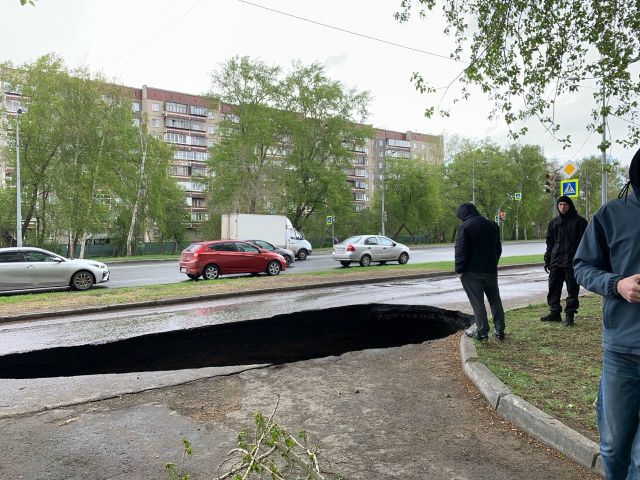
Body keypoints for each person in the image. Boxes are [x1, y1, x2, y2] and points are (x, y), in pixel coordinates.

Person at [573, 149, 640, 479]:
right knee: (614, 445)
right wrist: (618, 285)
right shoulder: (611, 215)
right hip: (621, 352)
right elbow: (581, 267)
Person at [454, 202, 505, 341]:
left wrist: (459, 269)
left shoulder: (465, 226)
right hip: (490, 270)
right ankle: (500, 331)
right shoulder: (492, 225)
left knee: (478, 303)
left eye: (460, 216)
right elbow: (498, 248)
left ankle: (482, 332)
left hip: (472, 272)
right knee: (495, 300)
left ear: (464, 214)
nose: (460, 219)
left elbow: (461, 250)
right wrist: (493, 263)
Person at [540, 195, 588, 326]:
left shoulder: (580, 222)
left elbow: (585, 244)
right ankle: (554, 313)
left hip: (572, 261)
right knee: (553, 287)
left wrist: (582, 261)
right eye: (560, 205)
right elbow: (549, 243)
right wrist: (547, 259)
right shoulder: (554, 222)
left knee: (572, 288)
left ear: (570, 205)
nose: (562, 207)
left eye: (565, 204)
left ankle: (570, 315)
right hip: (556, 261)